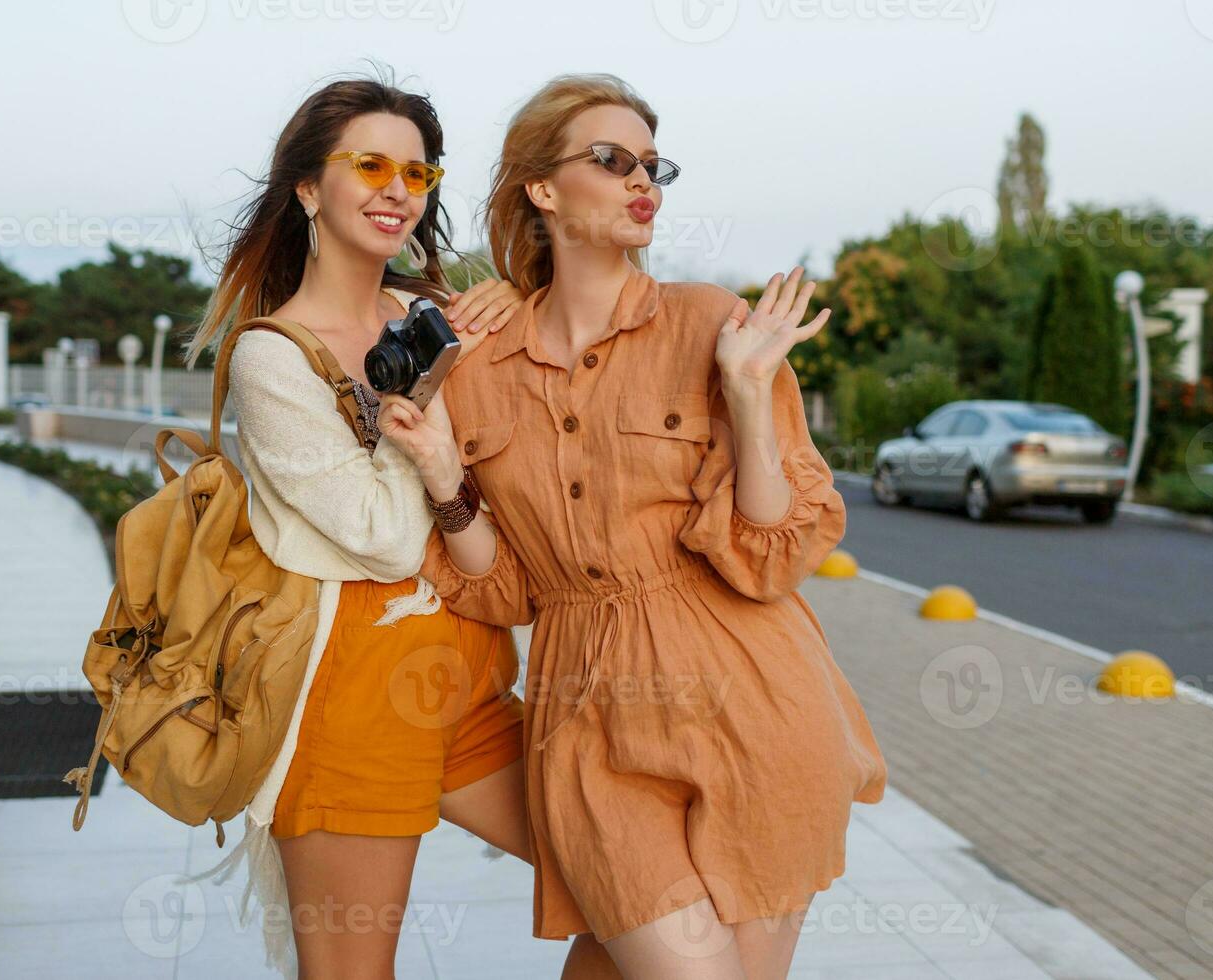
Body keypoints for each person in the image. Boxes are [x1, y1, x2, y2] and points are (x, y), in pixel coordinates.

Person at [377, 73, 890, 980]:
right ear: (542, 188)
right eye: (611, 161)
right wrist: (445, 477)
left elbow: (771, 558)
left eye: (654, 165)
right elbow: (506, 591)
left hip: (758, 701)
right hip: (586, 717)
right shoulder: (480, 361)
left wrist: (742, 387)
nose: (640, 180)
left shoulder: (712, 325)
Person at [179, 72, 620, 980]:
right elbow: (381, 536)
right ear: (308, 187)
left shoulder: (440, 315)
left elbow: (517, 480)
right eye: (371, 165)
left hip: (474, 683)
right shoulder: (272, 356)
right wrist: (420, 401)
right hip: (353, 700)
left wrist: (509, 306)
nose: (397, 191)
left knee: (633, 898)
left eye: (417, 175)